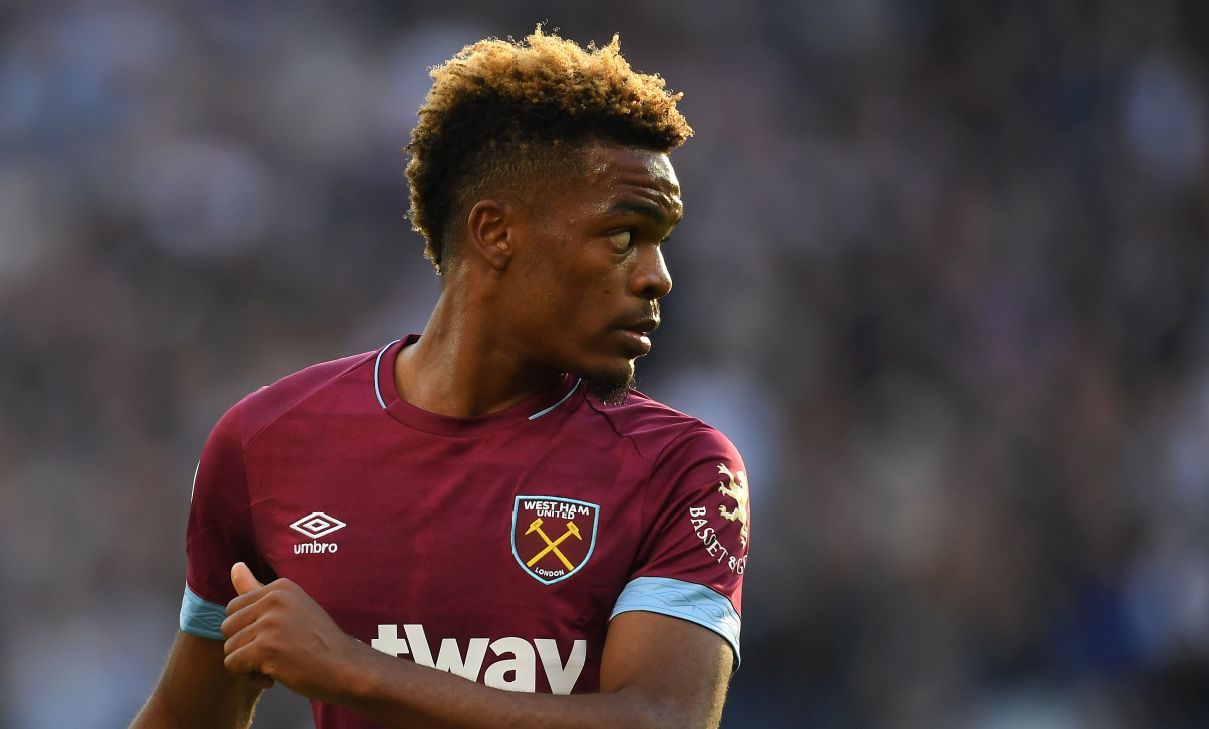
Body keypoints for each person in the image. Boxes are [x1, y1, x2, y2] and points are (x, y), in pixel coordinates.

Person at [129, 26, 751, 729]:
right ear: (496, 233)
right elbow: (187, 715)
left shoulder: (682, 468)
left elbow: (664, 721)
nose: (657, 276)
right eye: (623, 236)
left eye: (660, 242)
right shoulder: (266, 441)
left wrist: (352, 669)